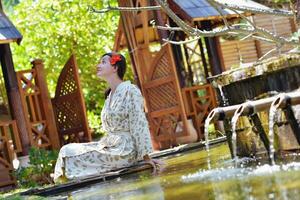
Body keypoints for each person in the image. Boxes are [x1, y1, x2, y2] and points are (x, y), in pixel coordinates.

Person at [53, 52, 162, 183]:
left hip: (125, 150)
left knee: (70, 156)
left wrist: (146, 157)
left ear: (115, 68)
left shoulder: (130, 91)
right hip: (109, 145)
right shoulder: (109, 95)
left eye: (103, 62)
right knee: (66, 150)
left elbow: (138, 124)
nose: (98, 65)